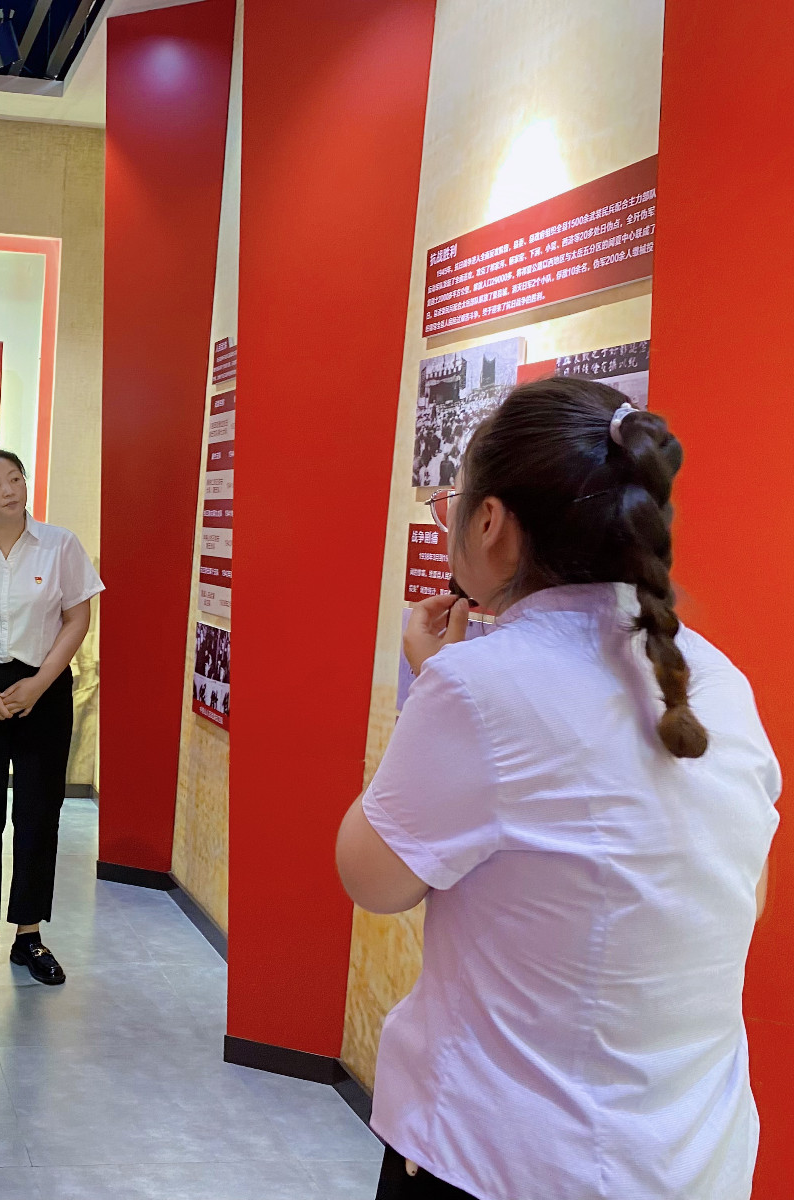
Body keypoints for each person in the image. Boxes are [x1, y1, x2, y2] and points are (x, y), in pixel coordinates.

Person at [336, 377, 779, 1200]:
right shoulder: (721, 682)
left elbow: (372, 877)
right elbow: (745, 896)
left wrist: (431, 689)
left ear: (491, 523)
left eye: (449, 506)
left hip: (505, 1161)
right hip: (697, 1162)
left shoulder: (477, 686)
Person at [0, 448, 103, 986]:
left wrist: (39, 684)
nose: (10, 490)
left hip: (44, 688)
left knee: (39, 812)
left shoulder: (60, 544)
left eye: (15, 478)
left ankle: (30, 933)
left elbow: (77, 618)